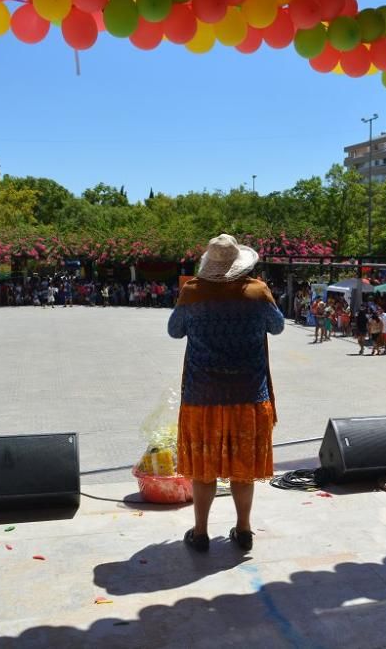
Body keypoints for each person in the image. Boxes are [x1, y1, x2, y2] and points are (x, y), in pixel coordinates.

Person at [168, 234, 284, 552]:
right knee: (242, 470)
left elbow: (174, 330)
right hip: (249, 394)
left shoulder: (192, 292)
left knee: (204, 471)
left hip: (201, 396)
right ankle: (244, 530)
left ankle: (201, 532)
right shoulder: (258, 291)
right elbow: (277, 327)